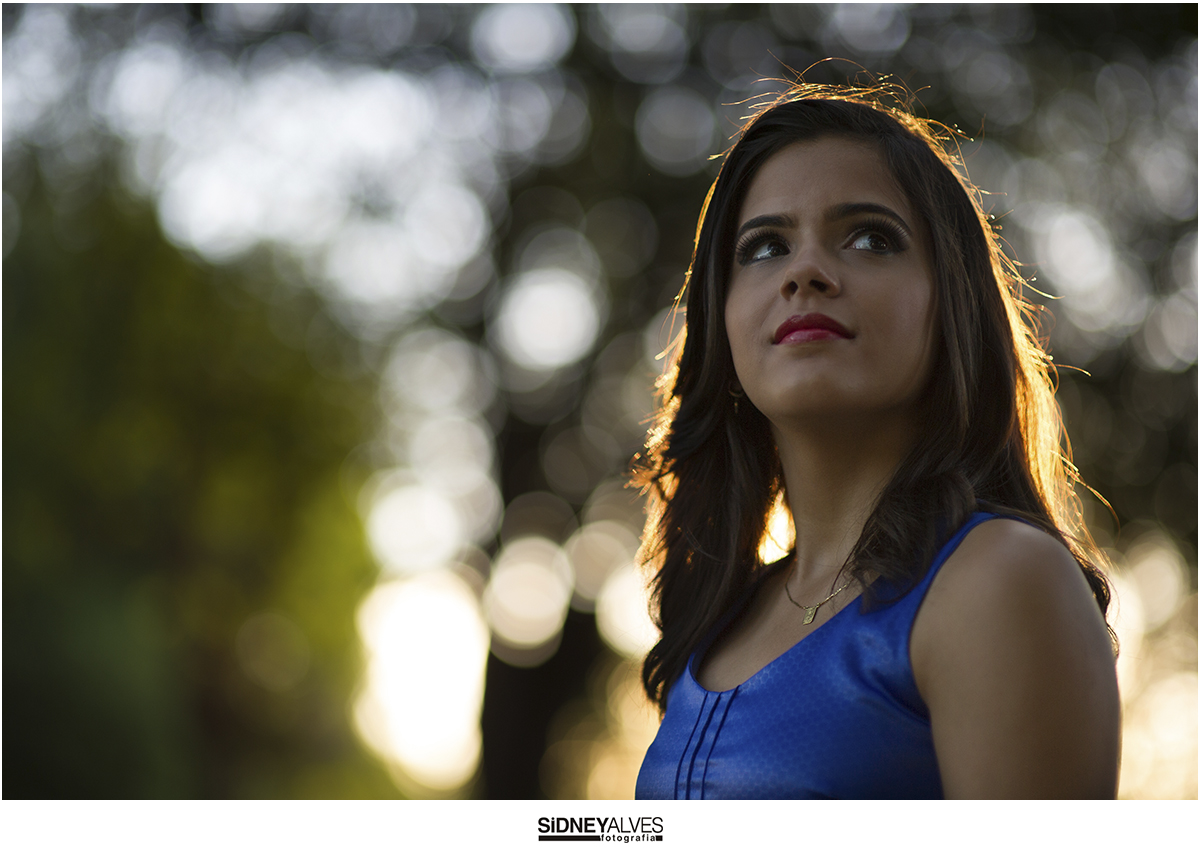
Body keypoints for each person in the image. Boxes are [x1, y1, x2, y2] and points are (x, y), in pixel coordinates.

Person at [632, 82, 1121, 799]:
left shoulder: (1000, 578)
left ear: (951, 301)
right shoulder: (718, 619)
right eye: (765, 246)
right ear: (722, 315)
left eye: (870, 238)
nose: (804, 273)